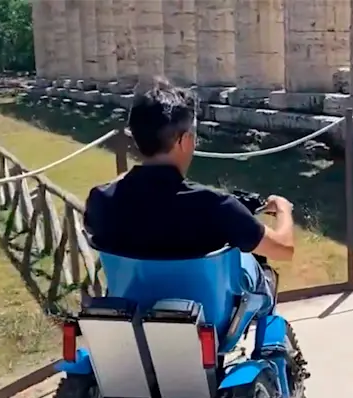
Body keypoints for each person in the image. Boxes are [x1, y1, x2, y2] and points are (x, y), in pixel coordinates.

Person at [83, 77, 294, 297]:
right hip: (206, 317)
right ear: (183, 141)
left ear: (137, 139)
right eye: (193, 136)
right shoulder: (216, 206)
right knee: (257, 273)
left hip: (130, 309)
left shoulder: (100, 200)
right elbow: (284, 249)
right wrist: (283, 210)